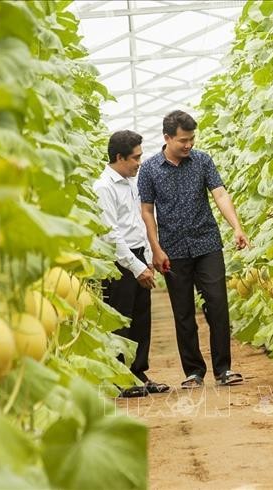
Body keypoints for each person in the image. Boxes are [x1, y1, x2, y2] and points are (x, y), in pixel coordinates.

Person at [137, 110, 249, 389]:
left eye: (192, 139)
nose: (189, 145)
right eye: (183, 140)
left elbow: (220, 193)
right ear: (167, 138)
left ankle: (224, 369)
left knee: (217, 304)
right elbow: (147, 211)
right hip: (173, 249)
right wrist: (156, 248)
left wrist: (236, 226)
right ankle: (194, 372)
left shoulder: (202, 160)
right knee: (183, 312)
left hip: (207, 243)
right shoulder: (149, 169)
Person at [93, 129, 169, 397]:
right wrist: (136, 267)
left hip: (136, 255)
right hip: (118, 261)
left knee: (140, 319)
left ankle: (138, 373)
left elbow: (139, 223)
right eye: (135, 158)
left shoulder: (131, 182)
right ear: (119, 157)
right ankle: (120, 378)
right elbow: (111, 234)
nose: (139, 162)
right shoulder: (103, 187)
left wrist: (147, 258)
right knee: (121, 319)